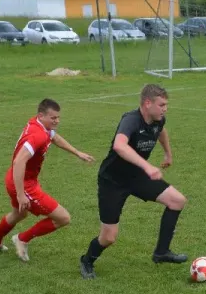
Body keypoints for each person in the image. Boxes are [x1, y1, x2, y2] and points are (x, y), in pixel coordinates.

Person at [79, 84, 187, 279]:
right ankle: (87, 260)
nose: (165, 108)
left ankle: (161, 252)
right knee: (109, 237)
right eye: (161, 104)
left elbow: (161, 131)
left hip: (137, 177)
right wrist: (147, 166)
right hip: (112, 181)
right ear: (147, 103)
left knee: (177, 200)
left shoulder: (158, 119)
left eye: (166, 104)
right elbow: (120, 146)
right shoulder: (131, 120)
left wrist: (167, 154)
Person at [0, 98, 95, 261]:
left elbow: (55, 137)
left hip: (13, 178)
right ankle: (22, 239)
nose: (57, 121)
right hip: (24, 184)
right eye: (53, 118)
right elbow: (19, 161)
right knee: (63, 218)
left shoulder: (38, 125)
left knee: (19, 214)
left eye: (58, 117)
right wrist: (21, 194)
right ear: (41, 115)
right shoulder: (38, 136)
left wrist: (77, 152)